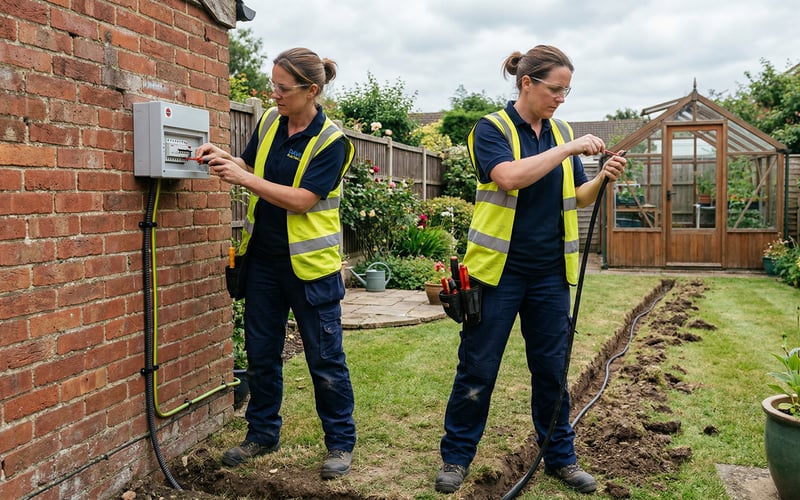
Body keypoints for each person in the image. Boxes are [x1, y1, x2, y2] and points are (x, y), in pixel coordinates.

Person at [435, 45, 627, 495]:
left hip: (549, 275)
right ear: (527, 83)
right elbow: (508, 177)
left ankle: (560, 457)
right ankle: (456, 458)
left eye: (567, 91)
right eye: (555, 89)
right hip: (497, 274)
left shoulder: (559, 131)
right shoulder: (491, 128)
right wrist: (568, 147)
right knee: (478, 368)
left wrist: (602, 177)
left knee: (552, 369)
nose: (562, 98)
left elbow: (578, 196)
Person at [195, 47, 357, 480]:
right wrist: (226, 159)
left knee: (325, 359)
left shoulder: (333, 143)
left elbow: (303, 201)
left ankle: (340, 443)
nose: (275, 94)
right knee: (263, 354)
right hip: (264, 263)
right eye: (273, 85)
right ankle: (262, 433)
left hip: (311, 270)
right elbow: (249, 165)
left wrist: (244, 178)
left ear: (312, 90)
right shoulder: (269, 120)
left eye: (283, 88)